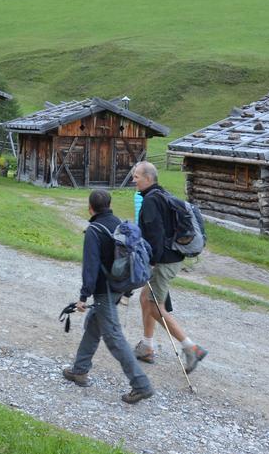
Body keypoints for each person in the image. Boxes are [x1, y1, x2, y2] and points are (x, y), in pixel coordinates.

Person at [62, 190, 154, 404]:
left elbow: (91, 267)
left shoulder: (94, 229)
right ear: (110, 204)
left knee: (114, 338)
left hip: (104, 291)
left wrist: (83, 297)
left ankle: (141, 385)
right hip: (118, 287)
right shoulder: (119, 224)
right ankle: (79, 370)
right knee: (94, 327)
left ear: (90, 207)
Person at [131, 161, 208, 373]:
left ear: (147, 178)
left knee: (155, 306)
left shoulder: (150, 202)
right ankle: (147, 346)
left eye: (136, 176)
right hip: (171, 257)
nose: (133, 180)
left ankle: (191, 348)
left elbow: (154, 236)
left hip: (163, 261)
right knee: (145, 298)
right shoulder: (160, 195)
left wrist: (150, 262)